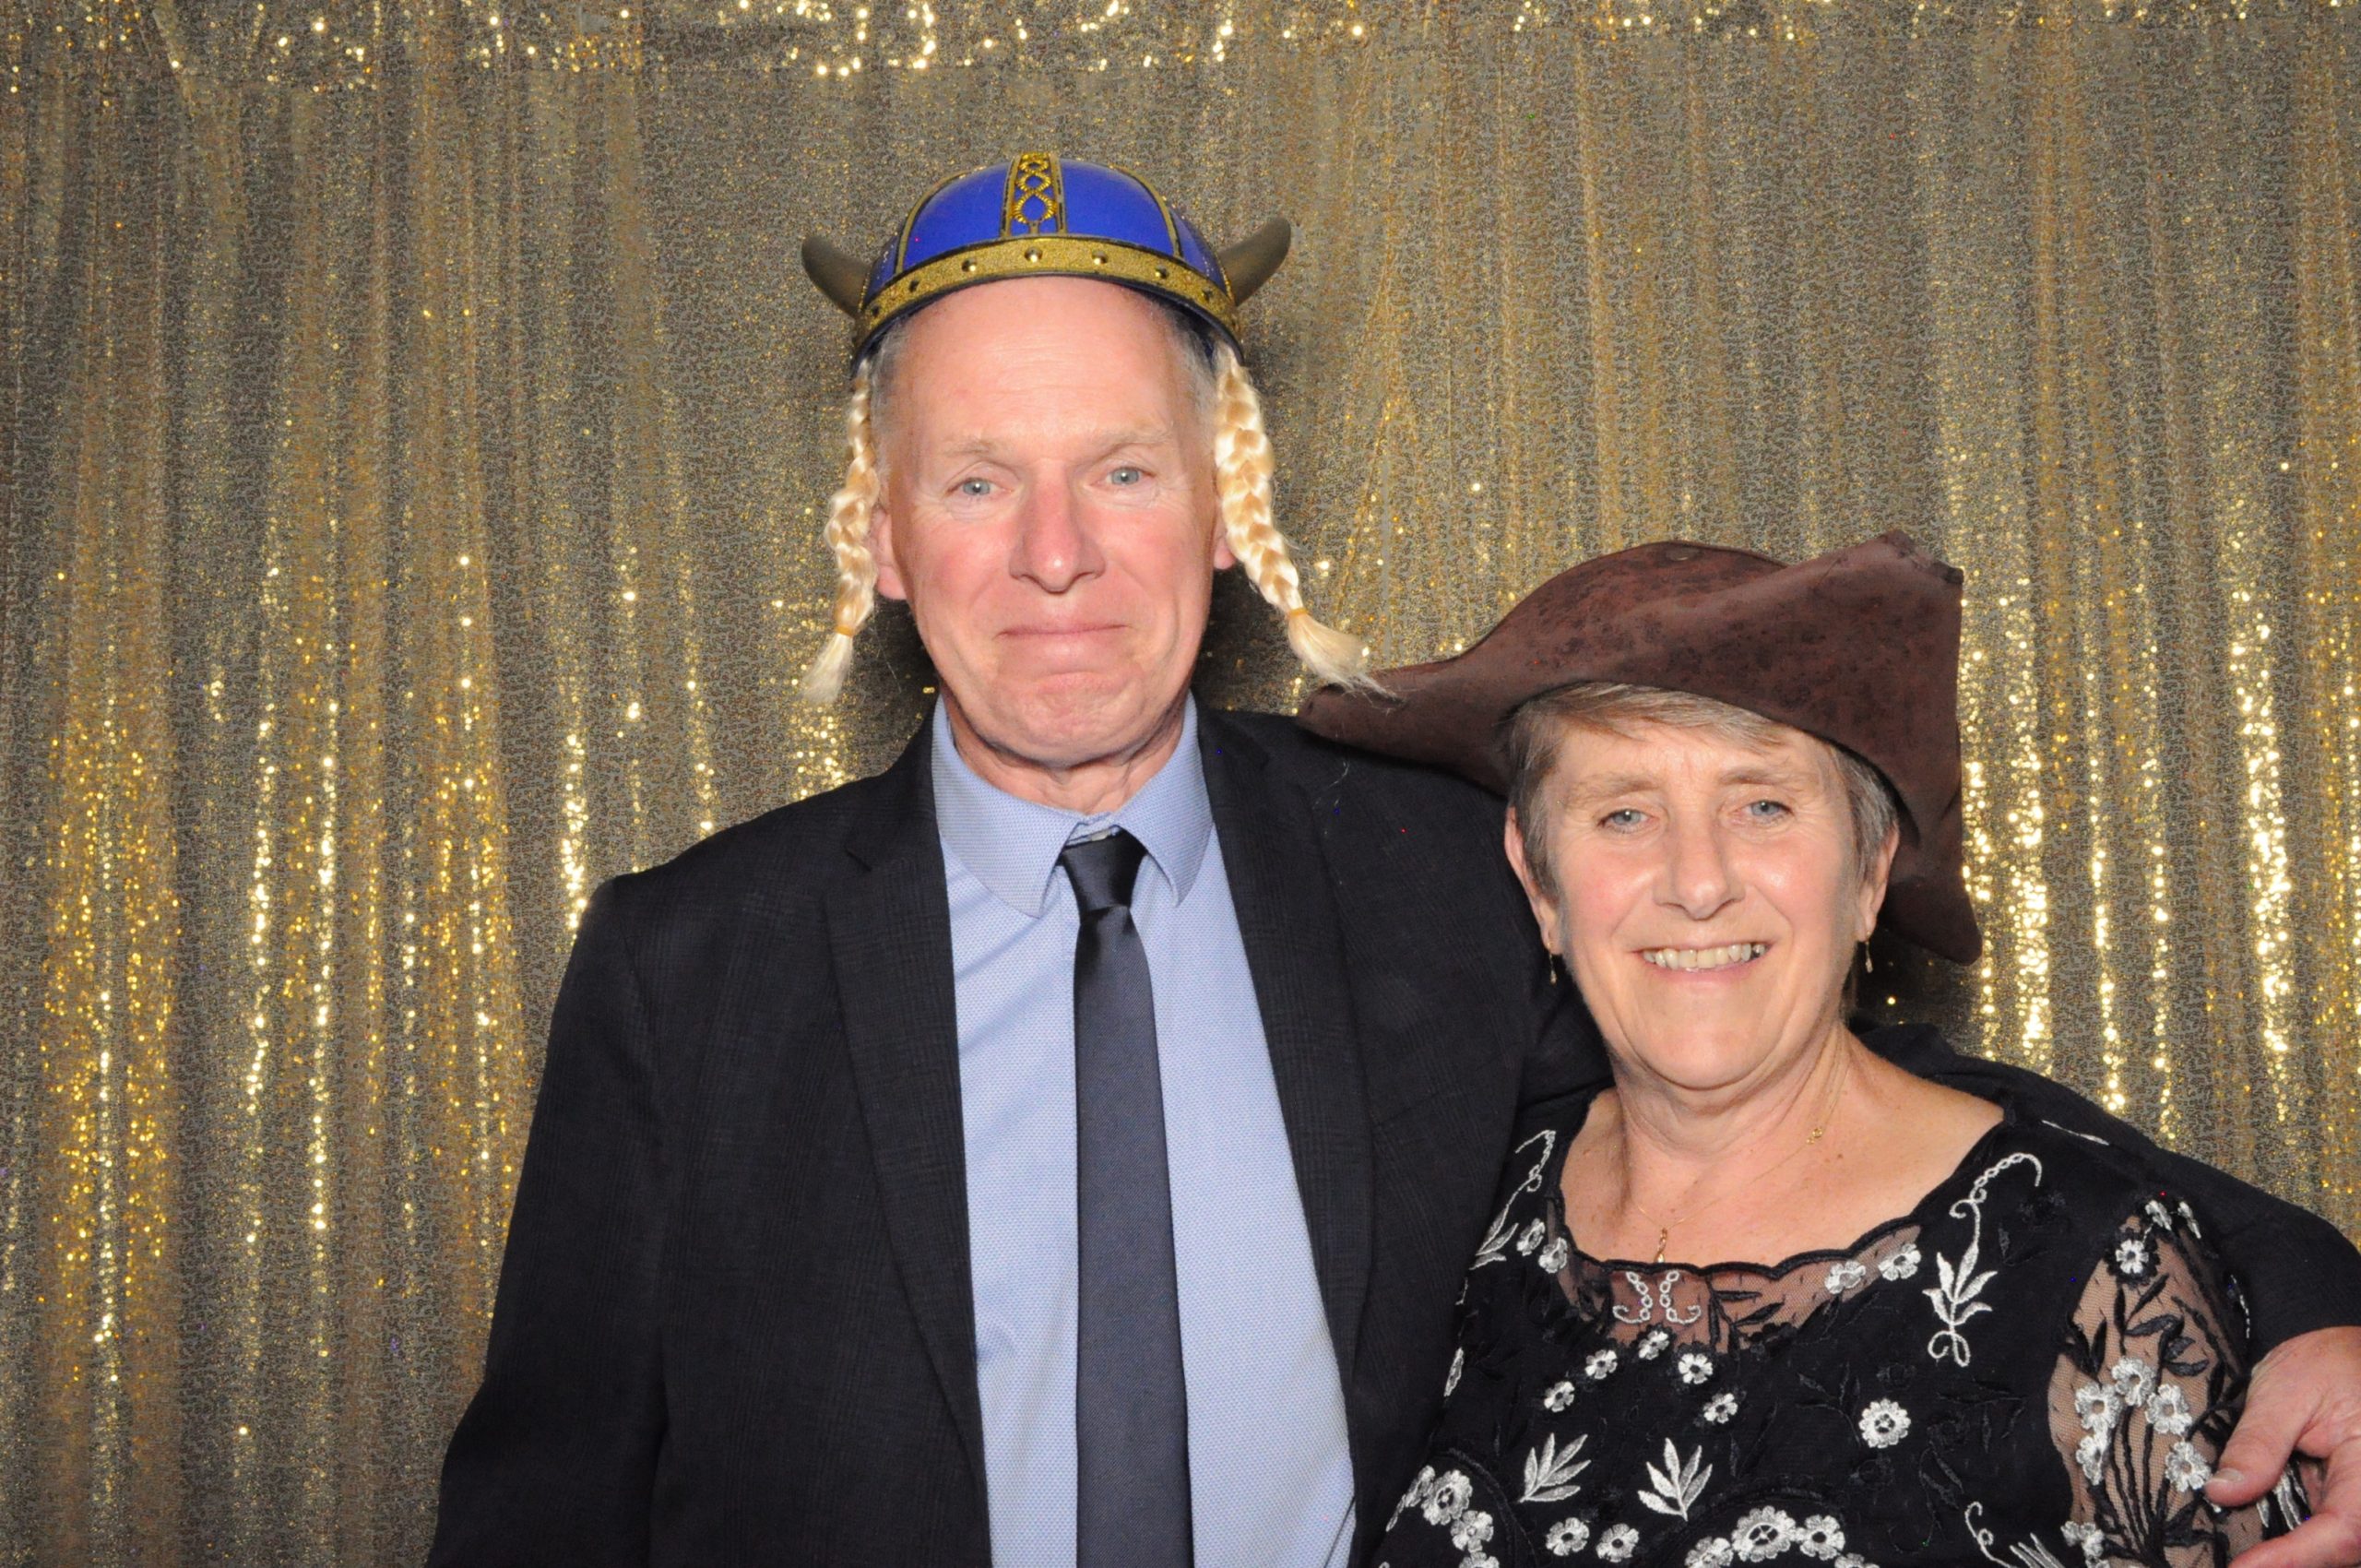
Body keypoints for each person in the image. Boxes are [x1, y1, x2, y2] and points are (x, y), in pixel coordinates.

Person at [426, 158, 2361, 1568]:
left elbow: (1825, 1087)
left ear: (1223, 512)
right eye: (974, 479)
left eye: (1121, 470)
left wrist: (2310, 1295)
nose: (1054, 553)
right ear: (879, 537)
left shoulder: (1432, 876)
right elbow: (545, 1509)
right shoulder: (687, 969)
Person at [1296, 534, 2336, 1566]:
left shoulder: (2085, 1265)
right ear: (1538, 880)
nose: (1698, 881)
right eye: (1624, 813)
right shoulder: (1471, 1208)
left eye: (1762, 805)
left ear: (1870, 868)